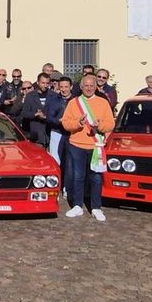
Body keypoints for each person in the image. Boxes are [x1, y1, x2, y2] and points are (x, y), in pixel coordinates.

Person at [61, 74, 115, 220]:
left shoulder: (103, 103)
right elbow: (66, 123)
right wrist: (78, 123)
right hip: (76, 145)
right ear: (81, 87)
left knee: (96, 178)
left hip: (95, 146)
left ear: (96, 87)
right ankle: (77, 205)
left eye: (92, 86)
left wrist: (100, 126)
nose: (89, 88)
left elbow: (110, 124)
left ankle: (96, 207)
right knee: (78, 177)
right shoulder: (73, 103)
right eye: (86, 85)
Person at [21, 73, 52, 146]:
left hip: (50, 134)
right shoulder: (30, 96)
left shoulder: (53, 95)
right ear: (38, 82)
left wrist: (46, 116)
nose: (45, 85)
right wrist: (35, 114)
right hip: (36, 135)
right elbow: (24, 113)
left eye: (47, 83)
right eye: (43, 83)